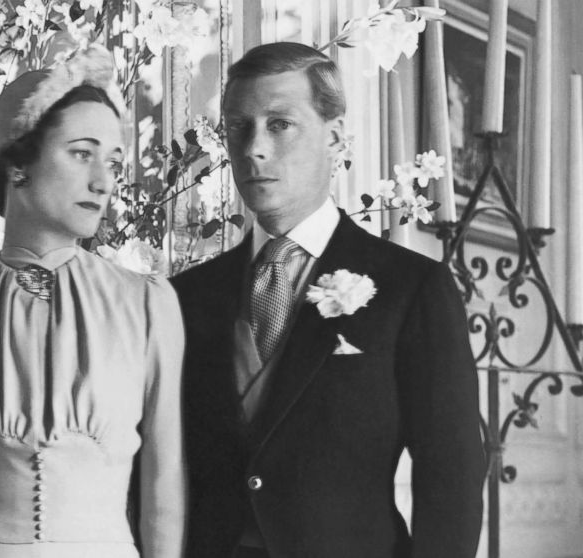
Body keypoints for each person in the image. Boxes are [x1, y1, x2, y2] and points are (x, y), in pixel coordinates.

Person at [171, 42, 485, 558]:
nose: (253, 148)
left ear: (335, 137)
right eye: (238, 126)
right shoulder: (188, 295)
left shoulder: (412, 288)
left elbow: (450, 477)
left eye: (279, 124)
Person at [0, 45, 187, 558]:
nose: (103, 181)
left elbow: (165, 490)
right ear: (18, 163)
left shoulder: (148, 305)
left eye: (113, 162)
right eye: (81, 153)